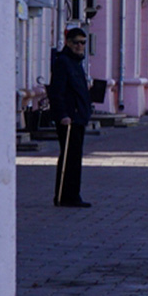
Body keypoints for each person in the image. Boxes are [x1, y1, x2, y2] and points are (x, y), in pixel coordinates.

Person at [49, 26, 94, 207]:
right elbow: (57, 92)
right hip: (69, 118)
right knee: (68, 157)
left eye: (83, 42)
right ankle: (63, 196)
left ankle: (72, 194)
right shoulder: (63, 62)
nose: (80, 46)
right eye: (76, 42)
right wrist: (63, 115)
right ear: (68, 43)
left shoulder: (76, 62)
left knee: (75, 158)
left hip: (78, 117)